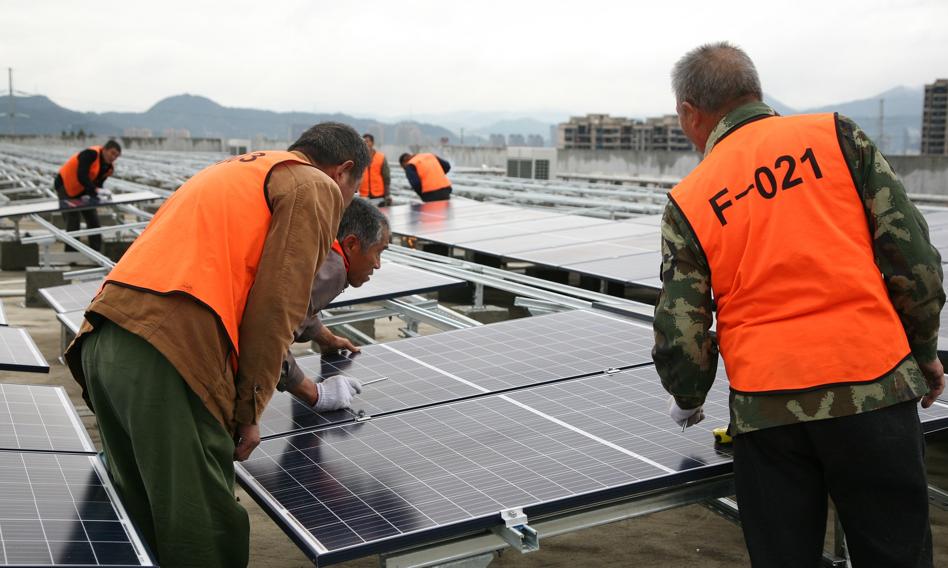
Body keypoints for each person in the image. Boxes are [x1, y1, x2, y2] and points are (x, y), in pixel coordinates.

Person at [652, 42, 945, 568]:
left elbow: (682, 330)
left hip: (769, 411)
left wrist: (688, 396)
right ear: (755, 93)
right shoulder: (835, 137)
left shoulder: (690, 198)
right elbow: (915, 258)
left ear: (690, 114)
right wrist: (923, 350)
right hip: (874, 385)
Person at [64, 122, 371, 568]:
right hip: (171, 354)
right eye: (354, 189)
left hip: (104, 337)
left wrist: (320, 336)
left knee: (141, 522)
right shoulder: (315, 186)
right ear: (342, 171)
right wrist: (249, 410)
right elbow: (275, 307)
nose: (346, 204)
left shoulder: (241, 170)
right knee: (201, 531)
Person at [277, 198, 390, 405]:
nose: (378, 264)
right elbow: (267, 336)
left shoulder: (321, 251)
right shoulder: (333, 271)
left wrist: (325, 338)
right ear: (352, 244)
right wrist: (315, 393)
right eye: (378, 251)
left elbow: (297, 307)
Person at [54, 139, 122, 251]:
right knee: (73, 219)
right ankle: (71, 253)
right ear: (105, 149)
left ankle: (96, 250)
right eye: (112, 153)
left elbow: (98, 183)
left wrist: (98, 194)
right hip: (65, 185)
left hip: (83, 190)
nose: (113, 157)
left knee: (93, 218)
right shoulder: (90, 154)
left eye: (116, 156)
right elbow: (82, 175)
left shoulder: (108, 168)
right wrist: (96, 190)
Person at [359, 133, 392, 206]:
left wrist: (387, 195)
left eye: (367, 141)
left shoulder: (381, 157)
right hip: (363, 194)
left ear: (372, 143)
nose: (365, 143)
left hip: (379, 194)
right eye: (363, 142)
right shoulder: (359, 158)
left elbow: (386, 177)